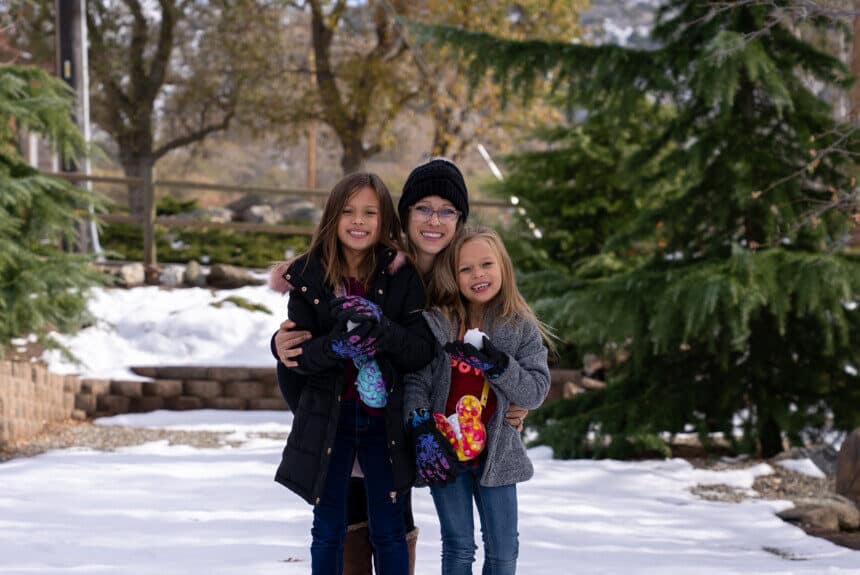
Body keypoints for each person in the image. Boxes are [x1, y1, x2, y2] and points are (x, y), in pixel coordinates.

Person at [271, 158, 529, 574]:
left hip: (421, 423)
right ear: (404, 214)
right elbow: (308, 332)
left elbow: (503, 340)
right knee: (347, 515)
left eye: (447, 211)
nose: (434, 220)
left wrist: (517, 405)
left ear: (460, 219)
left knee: (393, 518)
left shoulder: (468, 270)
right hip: (356, 411)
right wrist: (280, 345)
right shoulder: (378, 260)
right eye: (423, 208)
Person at [269, 172, 435, 575]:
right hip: (332, 419)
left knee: (389, 527)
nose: (358, 221)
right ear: (332, 216)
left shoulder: (400, 275)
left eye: (369, 212)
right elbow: (298, 354)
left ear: (384, 221)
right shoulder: (309, 278)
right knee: (328, 527)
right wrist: (334, 346)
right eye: (348, 211)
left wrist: (383, 329)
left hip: (385, 423)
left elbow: (420, 350)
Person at [404, 225, 552, 575]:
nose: (478, 275)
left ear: (503, 267)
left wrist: (499, 365)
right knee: (458, 548)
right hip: (445, 451)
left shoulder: (519, 327)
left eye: (486, 264)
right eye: (465, 269)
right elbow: (415, 380)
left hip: (497, 455)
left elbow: (535, 390)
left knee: (503, 552)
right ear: (453, 276)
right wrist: (422, 424)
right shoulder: (439, 322)